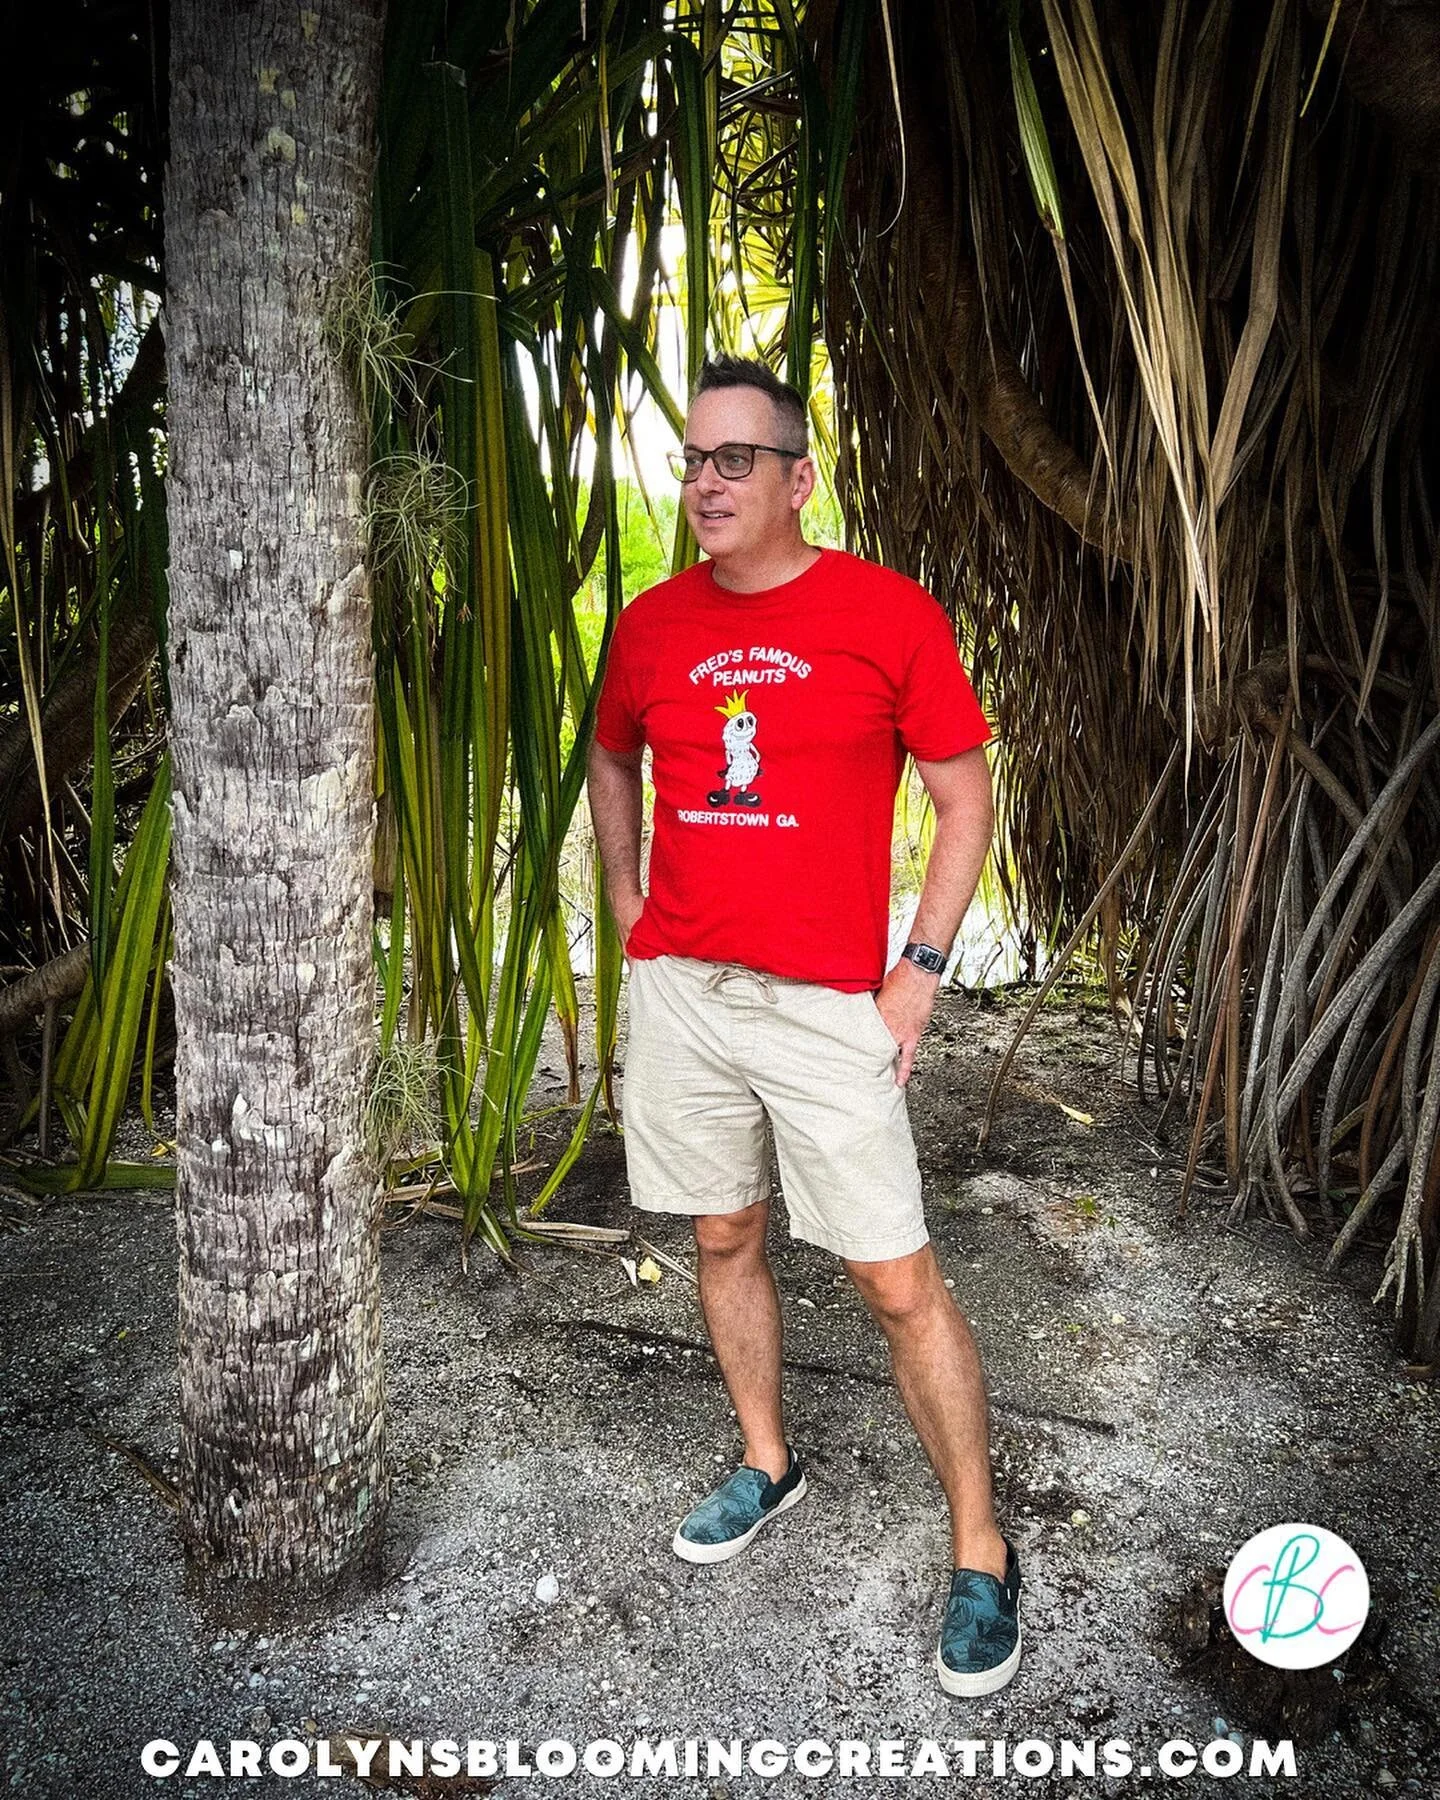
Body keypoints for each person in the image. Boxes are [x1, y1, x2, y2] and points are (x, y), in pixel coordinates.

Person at [587, 353, 1020, 1697]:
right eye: (694, 460)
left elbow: (964, 798)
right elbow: (611, 753)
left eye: (735, 460)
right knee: (722, 1233)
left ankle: (981, 1549)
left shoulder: (886, 617)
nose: (706, 482)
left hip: (829, 1007)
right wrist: (623, 895)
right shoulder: (652, 624)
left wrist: (919, 971)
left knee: (896, 1280)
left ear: (797, 478)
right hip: (685, 993)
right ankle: (768, 1461)